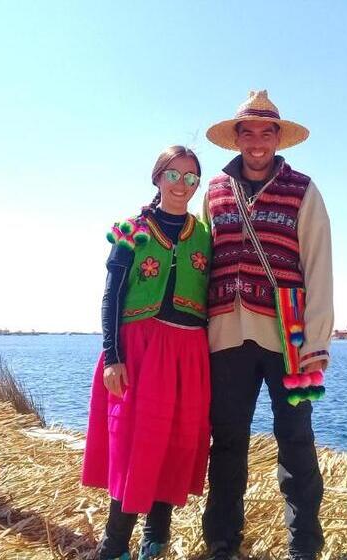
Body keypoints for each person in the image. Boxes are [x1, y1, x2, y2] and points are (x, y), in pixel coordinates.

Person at [201, 91, 334, 559]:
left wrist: (317, 342)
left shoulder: (304, 190)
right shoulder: (214, 190)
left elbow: (319, 268)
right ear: (236, 138)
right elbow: (205, 262)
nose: (257, 142)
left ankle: (303, 545)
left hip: (292, 338)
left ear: (279, 138)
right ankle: (221, 540)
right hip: (225, 338)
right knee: (227, 442)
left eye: (266, 132)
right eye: (248, 132)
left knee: (296, 441)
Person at [82, 146, 212, 560]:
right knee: (136, 443)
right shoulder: (130, 229)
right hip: (140, 351)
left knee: (176, 441)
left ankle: (156, 537)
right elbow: (111, 297)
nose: (182, 185)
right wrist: (112, 354)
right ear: (157, 178)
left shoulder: (205, 235)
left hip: (189, 351)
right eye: (174, 175)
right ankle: (115, 543)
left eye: (191, 178)